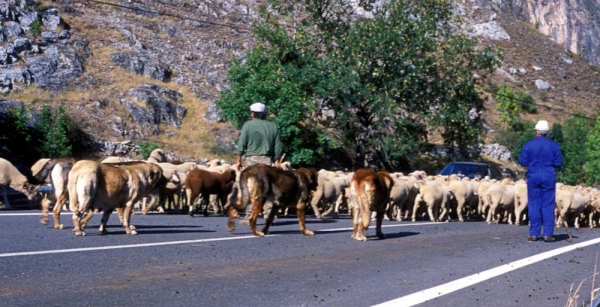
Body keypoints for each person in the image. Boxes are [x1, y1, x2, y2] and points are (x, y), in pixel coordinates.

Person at [235, 102, 283, 224]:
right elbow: (278, 145)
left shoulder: (247, 125)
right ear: (263, 113)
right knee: (268, 188)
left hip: (251, 160)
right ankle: (269, 215)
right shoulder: (272, 126)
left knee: (250, 187)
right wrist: (277, 159)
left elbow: (242, 142)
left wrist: (238, 158)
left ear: (253, 113)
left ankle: (250, 215)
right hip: (267, 161)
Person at [519, 120, 563, 242]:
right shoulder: (554, 145)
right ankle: (548, 234)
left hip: (533, 175)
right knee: (548, 205)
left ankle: (534, 233)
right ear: (547, 132)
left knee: (534, 204)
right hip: (548, 176)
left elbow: (523, 162)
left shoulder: (529, 145)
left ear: (536, 131)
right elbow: (558, 163)